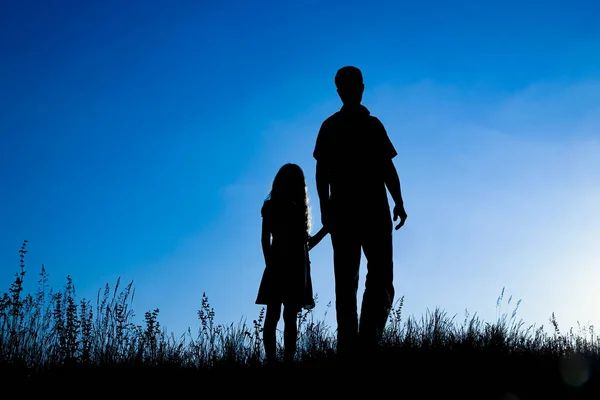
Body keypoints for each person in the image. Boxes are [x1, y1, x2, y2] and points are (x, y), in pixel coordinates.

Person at [313, 66, 407, 362]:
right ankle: (354, 348)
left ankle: (363, 344)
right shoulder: (332, 127)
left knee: (371, 280)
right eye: (348, 87)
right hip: (352, 214)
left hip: (368, 213)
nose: (353, 91)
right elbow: (321, 171)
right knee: (354, 281)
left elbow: (386, 167)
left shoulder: (370, 125)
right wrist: (326, 207)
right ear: (342, 91)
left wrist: (399, 201)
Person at [255, 163, 328, 365]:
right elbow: (265, 240)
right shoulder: (275, 208)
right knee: (281, 316)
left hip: (290, 265)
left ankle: (282, 361)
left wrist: (325, 230)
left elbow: (304, 244)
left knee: (281, 316)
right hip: (285, 265)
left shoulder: (286, 209)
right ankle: (279, 361)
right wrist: (270, 264)